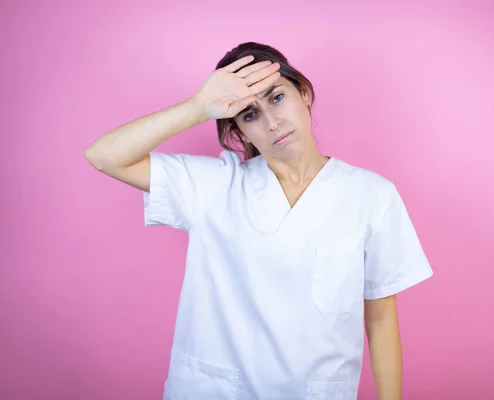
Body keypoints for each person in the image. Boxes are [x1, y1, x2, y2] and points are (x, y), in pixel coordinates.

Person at [85, 42, 433, 400]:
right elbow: (104, 156)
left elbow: (380, 321)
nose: (272, 122)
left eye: (277, 97)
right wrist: (197, 107)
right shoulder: (213, 185)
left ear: (303, 92)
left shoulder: (372, 196)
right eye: (249, 114)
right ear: (239, 131)